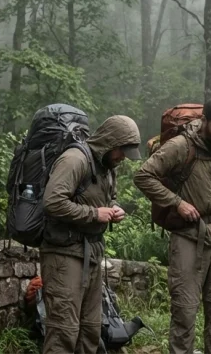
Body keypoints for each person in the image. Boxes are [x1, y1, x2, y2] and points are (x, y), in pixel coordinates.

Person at [134, 96, 211, 354]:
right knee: (185, 313)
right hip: (188, 237)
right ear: (205, 121)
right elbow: (143, 176)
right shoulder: (181, 146)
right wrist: (176, 203)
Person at [41, 115, 141, 354]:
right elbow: (52, 202)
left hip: (92, 253)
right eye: (121, 151)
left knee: (91, 329)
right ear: (110, 142)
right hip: (64, 254)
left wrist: (114, 208)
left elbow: (108, 197)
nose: (123, 157)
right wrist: (95, 214)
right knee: (63, 331)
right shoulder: (75, 159)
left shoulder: (107, 166)